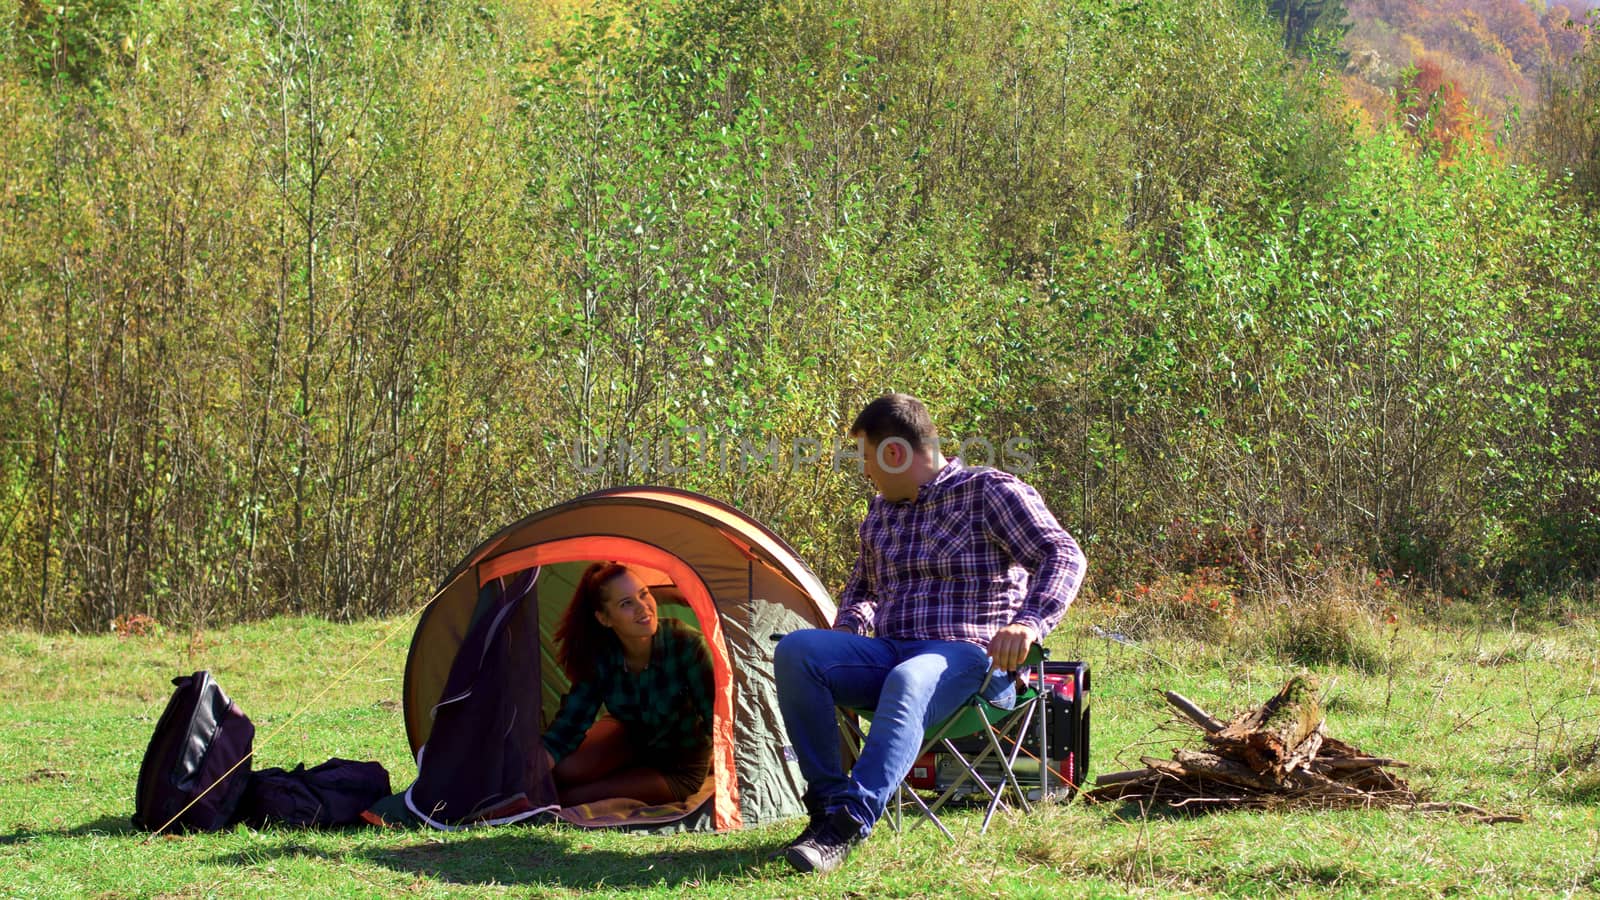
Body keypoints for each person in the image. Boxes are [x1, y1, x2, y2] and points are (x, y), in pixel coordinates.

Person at [774, 393, 1086, 874]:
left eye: (866, 462)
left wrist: (1029, 623)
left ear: (894, 453)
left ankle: (848, 825)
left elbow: (1063, 555)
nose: (865, 475)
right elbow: (861, 591)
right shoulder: (880, 513)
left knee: (911, 678)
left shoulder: (990, 492)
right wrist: (851, 629)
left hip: (972, 664)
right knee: (798, 651)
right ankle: (828, 808)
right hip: (890, 654)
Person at [541, 562, 715, 807]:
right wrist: (521, 780)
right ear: (604, 619)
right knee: (560, 773)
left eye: (644, 594)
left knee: (569, 799)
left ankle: (631, 778)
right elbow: (568, 727)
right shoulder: (602, 656)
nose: (643, 608)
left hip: (677, 764)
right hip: (629, 736)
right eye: (626, 604)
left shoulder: (686, 645)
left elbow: (717, 720)